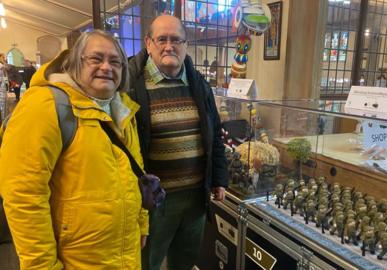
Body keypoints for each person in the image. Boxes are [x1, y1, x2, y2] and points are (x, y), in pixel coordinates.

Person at [0, 30, 149, 269]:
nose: (106, 67)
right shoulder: (45, 105)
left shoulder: (122, 110)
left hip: (123, 254)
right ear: (74, 62)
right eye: (95, 58)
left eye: (115, 61)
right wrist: (42, 266)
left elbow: (136, 173)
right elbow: (23, 196)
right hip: (75, 260)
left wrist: (142, 222)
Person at [128, 15, 228, 270]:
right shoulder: (131, 85)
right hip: (153, 200)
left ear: (185, 44)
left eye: (176, 39)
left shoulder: (198, 84)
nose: (169, 46)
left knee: (185, 260)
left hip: (194, 197)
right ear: (149, 44)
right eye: (162, 39)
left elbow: (214, 133)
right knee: (146, 261)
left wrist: (218, 178)